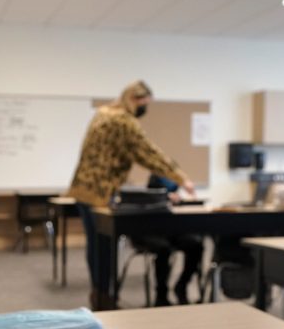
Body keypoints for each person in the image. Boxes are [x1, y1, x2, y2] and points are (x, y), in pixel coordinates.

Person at [67, 80, 195, 310]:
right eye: (144, 103)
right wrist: (181, 177)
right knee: (103, 247)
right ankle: (105, 301)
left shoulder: (102, 114)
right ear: (134, 99)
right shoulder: (123, 121)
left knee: (95, 245)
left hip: (83, 188)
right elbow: (149, 153)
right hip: (100, 192)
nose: (144, 108)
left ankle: (100, 295)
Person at [130, 174, 204, 306]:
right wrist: (164, 197)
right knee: (163, 249)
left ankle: (182, 285)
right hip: (151, 232)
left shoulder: (176, 181)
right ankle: (161, 294)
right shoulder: (155, 180)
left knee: (196, 244)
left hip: (172, 230)